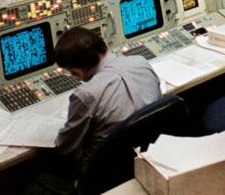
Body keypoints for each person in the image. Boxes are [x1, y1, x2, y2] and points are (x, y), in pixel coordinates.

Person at [54, 27, 160, 174]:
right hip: (152, 154)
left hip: (107, 171)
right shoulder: (141, 62)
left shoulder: (86, 95)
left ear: (76, 72)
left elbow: (66, 147)